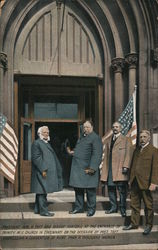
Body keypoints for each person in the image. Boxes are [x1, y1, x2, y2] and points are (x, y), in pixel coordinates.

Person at [123, 130, 158, 235]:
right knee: (134, 204)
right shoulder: (137, 150)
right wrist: (130, 179)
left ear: (149, 138)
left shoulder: (154, 151)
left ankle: (148, 225)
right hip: (134, 182)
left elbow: (156, 168)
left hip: (146, 183)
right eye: (141, 137)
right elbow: (133, 165)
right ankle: (134, 224)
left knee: (148, 205)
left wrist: (153, 183)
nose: (142, 139)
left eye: (144, 137)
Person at [69, 120, 103, 217]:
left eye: (87, 127)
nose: (85, 129)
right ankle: (78, 208)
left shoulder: (95, 138)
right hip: (78, 169)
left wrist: (92, 168)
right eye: (84, 127)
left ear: (92, 127)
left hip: (88, 169)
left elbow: (97, 154)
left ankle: (91, 209)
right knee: (78, 189)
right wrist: (74, 152)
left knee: (90, 191)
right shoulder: (82, 137)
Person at [100, 122, 133, 217]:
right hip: (110, 170)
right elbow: (106, 157)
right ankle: (113, 208)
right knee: (111, 189)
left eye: (117, 127)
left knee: (122, 191)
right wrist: (104, 170)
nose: (115, 128)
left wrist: (126, 166)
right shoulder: (109, 140)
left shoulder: (126, 139)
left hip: (121, 170)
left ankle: (123, 209)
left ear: (121, 128)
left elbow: (129, 154)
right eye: (113, 127)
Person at [31, 126, 63, 216]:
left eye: (48, 132)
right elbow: (37, 158)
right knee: (42, 191)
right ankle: (44, 211)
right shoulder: (37, 143)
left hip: (45, 171)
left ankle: (38, 209)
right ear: (39, 133)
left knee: (40, 190)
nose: (47, 134)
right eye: (45, 132)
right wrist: (43, 169)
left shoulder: (45, 143)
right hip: (42, 171)